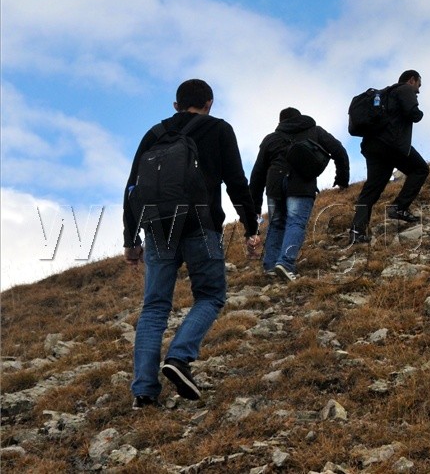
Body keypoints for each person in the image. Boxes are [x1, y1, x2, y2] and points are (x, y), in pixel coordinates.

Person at [123, 78, 261, 408]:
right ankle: (180, 357)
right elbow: (236, 182)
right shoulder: (219, 129)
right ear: (210, 102)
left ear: (175, 105)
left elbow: (132, 188)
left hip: (157, 228)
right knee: (211, 295)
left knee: (154, 307)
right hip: (201, 224)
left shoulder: (154, 134)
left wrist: (131, 239)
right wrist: (251, 226)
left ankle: (144, 390)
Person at [248, 107, 350, 283]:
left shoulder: (271, 138)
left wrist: (255, 207)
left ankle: (271, 266)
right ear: (300, 117)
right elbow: (339, 151)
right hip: (301, 183)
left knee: (276, 224)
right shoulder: (314, 131)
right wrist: (342, 179)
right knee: (295, 222)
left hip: (275, 184)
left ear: (280, 122)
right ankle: (286, 264)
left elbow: (257, 174)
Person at [348, 69, 430, 245]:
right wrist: (419, 113)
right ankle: (398, 207)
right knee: (420, 169)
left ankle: (357, 231)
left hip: (372, 146)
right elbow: (413, 113)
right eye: (419, 85)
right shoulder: (405, 89)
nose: (418, 91)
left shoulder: (385, 94)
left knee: (371, 189)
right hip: (392, 144)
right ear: (412, 80)